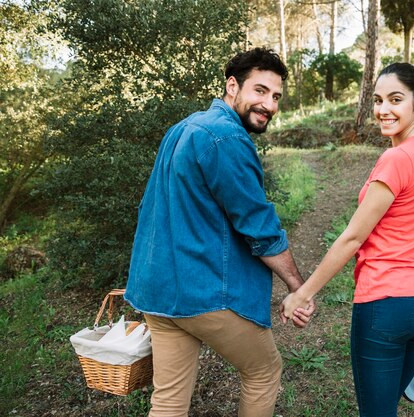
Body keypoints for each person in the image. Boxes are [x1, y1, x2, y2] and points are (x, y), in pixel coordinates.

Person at [124, 47, 315, 417]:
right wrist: (299, 287)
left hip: (159, 294)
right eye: (260, 91)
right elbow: (258, 226)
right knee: (264, 371)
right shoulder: (226, 138)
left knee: (168, 400)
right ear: (232, 86)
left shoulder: (182, 128)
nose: (269, 104)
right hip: (203, 294)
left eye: (276, 96)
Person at [282, 62, 414, 417]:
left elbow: (352, 239)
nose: (383, 110)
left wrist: (303, 293)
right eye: (378, 100)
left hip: (388, 305)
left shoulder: (397, 158)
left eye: (395, 99)